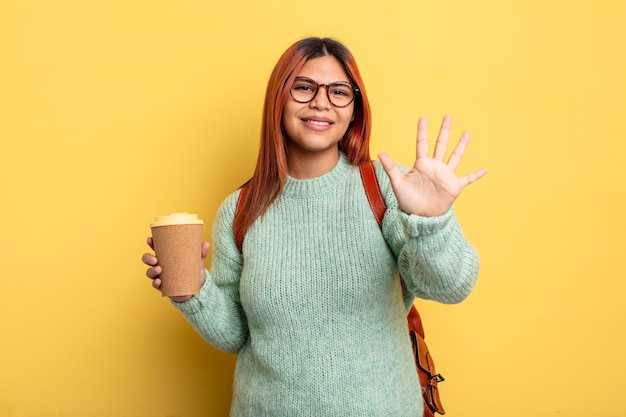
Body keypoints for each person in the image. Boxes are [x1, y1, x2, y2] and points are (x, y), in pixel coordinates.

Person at [142, 36, 487, 417]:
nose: (320, 102)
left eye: (339, 92)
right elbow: (237, 335)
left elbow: (453, 287)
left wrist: (431, 221)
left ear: (354, 109)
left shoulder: (391, 189)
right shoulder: (240, 209)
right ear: (279, 99)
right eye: (303, 87)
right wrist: (193, 292)